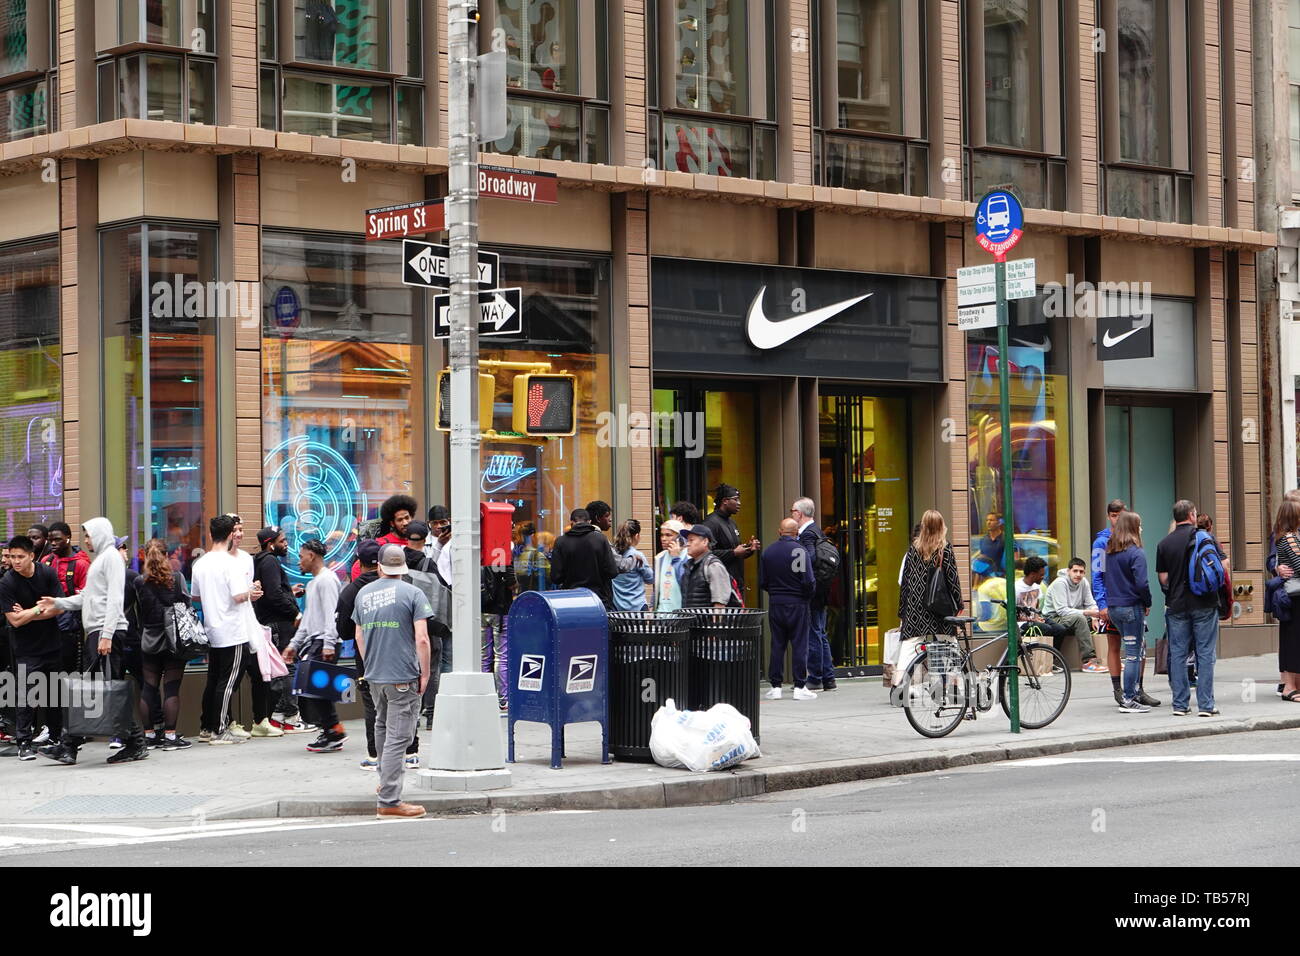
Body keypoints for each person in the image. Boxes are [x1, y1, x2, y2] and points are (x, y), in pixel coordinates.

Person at [37, 517, 148, 764]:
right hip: (99, 632)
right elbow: (87, 597)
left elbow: (116, 599)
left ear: (99, 534)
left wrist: (106, 634)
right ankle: (72, 745)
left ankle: (72, 745)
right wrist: (57, 603)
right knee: (97, 690)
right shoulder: (103, 560)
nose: (86, 541)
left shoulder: (110, 559)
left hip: (104, 633)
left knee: (100, 689)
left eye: (88, 535)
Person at [353, 544, 435, 818]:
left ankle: (384, 782)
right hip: (402, 675)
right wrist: (424, 673)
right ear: (403, 568)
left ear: (379, 566)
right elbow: (422, 639)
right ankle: (389, 801)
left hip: (376, 674)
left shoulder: (363, 593)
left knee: (382, 726)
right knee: (399, 737)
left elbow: (359, 637)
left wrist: (371, 664)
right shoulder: (413, 593)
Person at [338, 540, 415, 770]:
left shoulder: (353, 592)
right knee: (405, 707)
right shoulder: (406, 587)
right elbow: (421, 631)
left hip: (369, 660)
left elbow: (346, 631)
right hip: (403, 657)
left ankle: (376, 756)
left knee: (376, 709)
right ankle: (411, 753)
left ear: (359, 562)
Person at [192, 514, 260, 745]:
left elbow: (195, 597)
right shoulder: (231, 563)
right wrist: (252, 592)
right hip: (233, 630)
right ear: (231, 535)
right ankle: (220, 729)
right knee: (228, 682)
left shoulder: (200, 563)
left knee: (214, 680)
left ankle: (206, 726)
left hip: (213, 629)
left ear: (211, 534)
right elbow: (239, 595)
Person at [1, 535, 64, 759]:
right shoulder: (7, 581)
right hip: (26, 648)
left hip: (52, 643)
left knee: (54, 694)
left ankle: (56, 737)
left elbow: (59, 607)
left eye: (20, 557)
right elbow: (14, 621)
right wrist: (38, 610)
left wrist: (27, 613)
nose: (15, 561)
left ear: (31, 556)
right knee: (26, 696)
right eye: (12, 557)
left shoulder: (46, 573)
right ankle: (24, 742)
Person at [1156, 500, 1220, 717]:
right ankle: (1206, 705)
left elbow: (1163, 578)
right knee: (1205, 653)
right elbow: (1220, 568)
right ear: (1192, 515)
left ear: (1175, 518)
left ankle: (1180, 705)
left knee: (1178, 653)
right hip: (1204, 603)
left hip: (1176, 604)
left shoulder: (1164, 544)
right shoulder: (1205, 538)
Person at [283, 539, 348, 752]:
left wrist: (329, 644)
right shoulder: (313, 583)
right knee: (315, 688)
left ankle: (333, 730)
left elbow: (332, 614)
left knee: (316, 688)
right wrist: (294, 644)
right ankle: (332, 729)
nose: (298, 562)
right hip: (317, 641)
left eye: (301, 557)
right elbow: (309, 618)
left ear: (312, 556)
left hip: (324, 642)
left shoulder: (326, 580)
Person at [134, 538, 194, 750]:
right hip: (173, 640)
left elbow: (139, 611)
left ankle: (149, 736)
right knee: (171, 689)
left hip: (149, 638)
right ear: (167, 555)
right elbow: (186, 605)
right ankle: (170, 737)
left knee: (148, 688)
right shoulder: (176, 578)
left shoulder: (139, 581)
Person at [1093, 498, 1151, 705]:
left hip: (1129, 601)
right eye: (1114, 515)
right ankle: (1119, 690)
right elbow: (1097, 574)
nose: (1117, 519)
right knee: (1115, 645)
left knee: (1138, 645)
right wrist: (1102, 604)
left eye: (1121, 515)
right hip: (1115, 602)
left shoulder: (1130, 542)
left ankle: (1138, 689)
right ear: (1109, 516)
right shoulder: (1102, 542)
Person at [225, 515, 277, 738]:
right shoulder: (216, 560)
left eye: (240, 529)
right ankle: (228, 722)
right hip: (228, 627)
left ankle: (260, 720)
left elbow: (248, 591)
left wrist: (253, 590)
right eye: (234, 529)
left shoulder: (247, 558)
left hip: (250, 623)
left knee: (260, 673)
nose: (238, 533)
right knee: (230, 678)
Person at [254, 526, 307, 733]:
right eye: (283, 541)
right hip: (279, 623)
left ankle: (279, 716)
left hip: (272, 622)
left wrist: (290, 593)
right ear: (270, 543)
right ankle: (291, 717)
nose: (286, 544)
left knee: (282, 668)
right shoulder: (269, 561)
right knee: (287, 667)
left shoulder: (262, 561)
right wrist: (295, 612)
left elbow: (273, 592)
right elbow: (274, 595)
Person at [761, 517, 817, 700]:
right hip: (797, 603)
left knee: (777, 644)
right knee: (800, 644)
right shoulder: (799, 552)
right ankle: (799, 686)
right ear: (797, 533)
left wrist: (776, 593)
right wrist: (805, 597)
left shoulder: (768, 552)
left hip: (776, 602)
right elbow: (808, 581)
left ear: (779, 532)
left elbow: (763, 582)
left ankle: (775, 686)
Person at [1105, 510, 1153, 714]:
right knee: (1133, 654)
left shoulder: (1110, 552)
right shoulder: (1136, 552)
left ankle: (1129, 695)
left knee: (1131, 650)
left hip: (1114, 607)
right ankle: (1128, 698)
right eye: (1139, 524)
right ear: (1133, 527)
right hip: (1131, 606)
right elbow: (1142, 583)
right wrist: (1147, 601)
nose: (1141, 528)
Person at [898, 510, 963, 640]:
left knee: (910, 646)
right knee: (948, 645)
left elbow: (905, 581)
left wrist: (902, 609)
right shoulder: (945, 548)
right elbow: (952, 579)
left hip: (914, 605)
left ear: (923, 526)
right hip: (938, 605)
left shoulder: (913, 548)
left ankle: (907, 661)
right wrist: (959, 603)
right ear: (941, 526)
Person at [793, 497, 836, 691]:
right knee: (820, 633)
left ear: (799, 514)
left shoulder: (807, 534)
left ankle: (815, 677)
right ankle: (828, 677)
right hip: (821, 589)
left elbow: (808, 557)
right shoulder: (816, 530)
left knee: (813, 633)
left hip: (812, 591)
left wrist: (797, 570)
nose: (791, 513)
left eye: (793, 510)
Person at [40, 521, 90, 675]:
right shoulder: (46, 561)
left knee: (67, 671)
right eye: (50, 540)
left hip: (70, 628)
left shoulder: (81, 564)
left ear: (68, 538)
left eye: (57, 539)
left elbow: (86, 598)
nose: (53, 543)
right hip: (46, 625)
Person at [1042, 557, 1105, 672]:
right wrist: (1088, 613)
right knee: (1080, 618)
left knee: (1104, 618)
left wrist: (1094, 616)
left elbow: (1090, 603)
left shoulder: (1083, 582)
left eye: (1081, 572)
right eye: (1075, 571)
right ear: (1068, 571)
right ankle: (1088, 661)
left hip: (1073, 617)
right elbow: (1062, 611)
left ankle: (1108, 658)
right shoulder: (1060, 583)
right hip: (1053, 618)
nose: (1078, 574)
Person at [550, 508, 620, 608]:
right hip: (598, 599)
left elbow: (556, 577)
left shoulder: (561, 542)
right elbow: (612, 571)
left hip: (571, 600)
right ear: (590, 522)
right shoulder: (600, 539)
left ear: (572, 522)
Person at [1267, 499, 1300, 700]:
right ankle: (1289, 687)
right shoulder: (1288, 538)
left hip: (1295, 595)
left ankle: (1293, 685)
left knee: (1295, 640)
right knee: (1292, 640)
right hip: (1295, 597)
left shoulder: (1292, 537)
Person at [703, 484, 759, 599]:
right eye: (736, 499)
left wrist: (748, 549)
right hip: (721, 586)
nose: (739, 503)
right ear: (725, 501)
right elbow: (706, 554)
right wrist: (733, 552)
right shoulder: (711, 522)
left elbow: (734, 552)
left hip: (736, 584)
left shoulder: (732, 522)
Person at [679, 525, 733, 608]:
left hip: (706, 620)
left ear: (705, 541)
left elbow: (720, 603)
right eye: (687, 540)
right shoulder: (689, 565)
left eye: (691, 540)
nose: (687, 544)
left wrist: (717, 618)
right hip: (690, 620)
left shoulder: (713, 565)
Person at [611, 519, 654, 611]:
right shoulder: (637, 556)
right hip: (638, 608)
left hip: (617, 609)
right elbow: (651, 579)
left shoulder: (613, 555)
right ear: (637, 536)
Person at [653, 518, 687, 611]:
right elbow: (657, 587)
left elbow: (686, 583)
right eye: (662, 535)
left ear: (679, 537)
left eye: (668, 535)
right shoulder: (660, 557)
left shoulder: (688, 556)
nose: (663, 539)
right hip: (662, 614)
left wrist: (676, 558)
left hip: (681, 614)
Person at [976, 512, 1018, 578]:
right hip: (987, 578)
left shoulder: (1007, 538)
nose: (988, 522)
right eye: (987, 520)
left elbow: (1015, 559)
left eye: (991, 520)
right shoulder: (983, 540)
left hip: (1003, 578)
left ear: (999, 523)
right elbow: (981, 561)